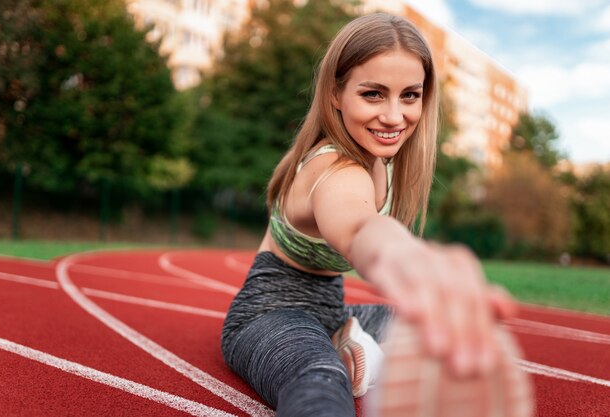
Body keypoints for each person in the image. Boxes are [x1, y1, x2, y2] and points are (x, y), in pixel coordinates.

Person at [221, 12, 533, 417]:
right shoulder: (334, 167)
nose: (393, 116)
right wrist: (410, 260)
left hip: (333, 310)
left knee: (450, 327)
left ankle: (344, 340)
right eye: (373, 94)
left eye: (409, 95)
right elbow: (360, 227)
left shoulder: (379, 160)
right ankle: (338, 352)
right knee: (320, 379)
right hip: (267, 315)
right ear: (336, 93)